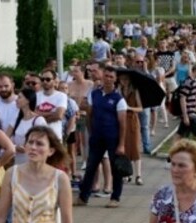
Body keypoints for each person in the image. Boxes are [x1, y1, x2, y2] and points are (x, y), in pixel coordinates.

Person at [76, 66, 127, 208]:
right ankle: (83, 197)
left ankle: (115, 198)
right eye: (106, 76)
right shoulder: (95, 94)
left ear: (115, 79)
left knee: (115, 169)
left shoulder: (119, 99)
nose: (108, 79)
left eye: (111, 76)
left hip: (113, 138)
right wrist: (91, 132)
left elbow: (123, 123)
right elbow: (89, 115)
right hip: (97, 137)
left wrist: (121, 144)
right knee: (91, 167)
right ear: (102, 77)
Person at [6, 89, 47, 166]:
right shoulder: (16, 120)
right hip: (18, 163)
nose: (16, 100)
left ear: (28, 100)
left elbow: (43, 141)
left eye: (20, 97)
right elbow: (5, 138)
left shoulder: (38, 120)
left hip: (34, 163)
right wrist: (15, 147)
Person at [117, 72, 144, 185]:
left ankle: (138, 175)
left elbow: (140, 108)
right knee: (125, 147)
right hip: (121, 120)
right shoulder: (118, 92)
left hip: (132, 120)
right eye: (122, 80)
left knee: (135, 148)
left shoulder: (135, 91)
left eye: (126, 79)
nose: (124, 82)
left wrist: (129, 108)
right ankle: (127, 173)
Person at [35, 70, 68, 140]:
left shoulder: (61, 96)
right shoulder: (36, 96)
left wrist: (41, 121)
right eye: (42, 79)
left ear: (54, 81)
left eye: (48, 79)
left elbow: (59, 115)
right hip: (39, 136)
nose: (45, 82)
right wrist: (52, 113)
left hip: (55, 136)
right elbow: (34, 114)